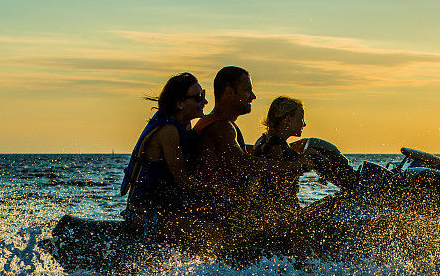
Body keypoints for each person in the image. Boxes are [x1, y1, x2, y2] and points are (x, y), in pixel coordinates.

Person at [193, 66, 310, 239]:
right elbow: (243, 164)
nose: (253, 96)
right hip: (223, 218)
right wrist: (293, 165)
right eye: (247, 91)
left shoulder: (224, 126)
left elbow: (236, 157)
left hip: (233, 214)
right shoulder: (220, 127)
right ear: (229, 92)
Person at [120, 72, 210, 241]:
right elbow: (183, 181)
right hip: (143, 214)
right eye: (198, 97)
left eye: (203, 95)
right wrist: (220, 193)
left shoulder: (184, 126)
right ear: (180, 103)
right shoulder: (168, 131)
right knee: (210, 233)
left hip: (164, 209)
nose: (204, 102)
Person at [252, 96, 310, 221]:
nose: (304, 124)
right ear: (288, 120)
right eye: (301, 119)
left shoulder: (267, 140)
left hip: (275, 215)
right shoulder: (276, 147)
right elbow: (275, 189)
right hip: (276, 219)